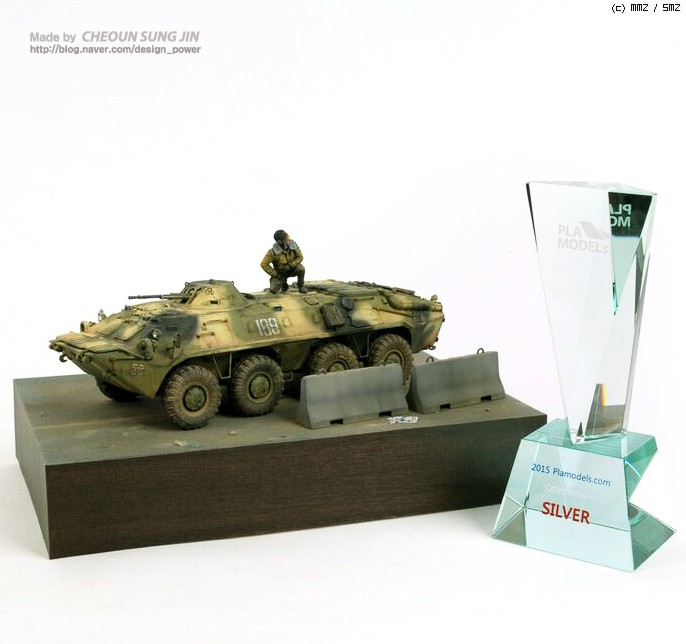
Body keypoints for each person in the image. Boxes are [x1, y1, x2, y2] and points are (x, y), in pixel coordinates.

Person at [261, 229, 307, 294]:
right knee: (273, 289)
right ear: (281, 242)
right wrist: (276, 274)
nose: (290, 240)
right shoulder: (273, 252)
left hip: (292, 268)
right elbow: (264, 264)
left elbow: (300, 257)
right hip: (280, 273)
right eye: (288, 239)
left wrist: (292, 264)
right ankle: (284, 285)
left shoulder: (293, 245)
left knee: (301, 269)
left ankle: (301, 286)